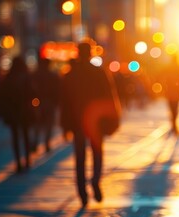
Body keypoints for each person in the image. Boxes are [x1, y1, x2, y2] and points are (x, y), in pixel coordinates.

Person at [60, 42, 121, 207]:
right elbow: (110, 96)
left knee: (80, 157)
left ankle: (82, 192)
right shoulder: (99, 73)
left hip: (77, 120)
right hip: (96, 120)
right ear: (91, 53)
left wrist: (65, 125)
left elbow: (64, 103)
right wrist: (113, 119)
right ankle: (95, 179)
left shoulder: (70, 75)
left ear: (78, 53)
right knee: (97, 152)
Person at [0, 57, 35, 173]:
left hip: (13, 111)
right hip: (25, 110)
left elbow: (3, 95)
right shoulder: (27, 77)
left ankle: (18, 162)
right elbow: (32, 93)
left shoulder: (9, 78)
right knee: (25, 136)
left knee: (15, 137)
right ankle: (28, 160)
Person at [30, 57, 60, 153]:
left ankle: (35, 142)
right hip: (49, 102)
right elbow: (57, 90)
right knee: (48, 124)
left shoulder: (35, 75)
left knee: (37, 124)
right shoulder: (53, 76)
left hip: (38, 102)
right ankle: (46, 143)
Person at [162, 55, 179, 135]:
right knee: (175, 109)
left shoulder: (169, 68)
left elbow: (163, 77)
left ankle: (173, 125)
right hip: (176, 92)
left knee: (172, 109)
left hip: (170, 92)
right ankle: (174, 125)